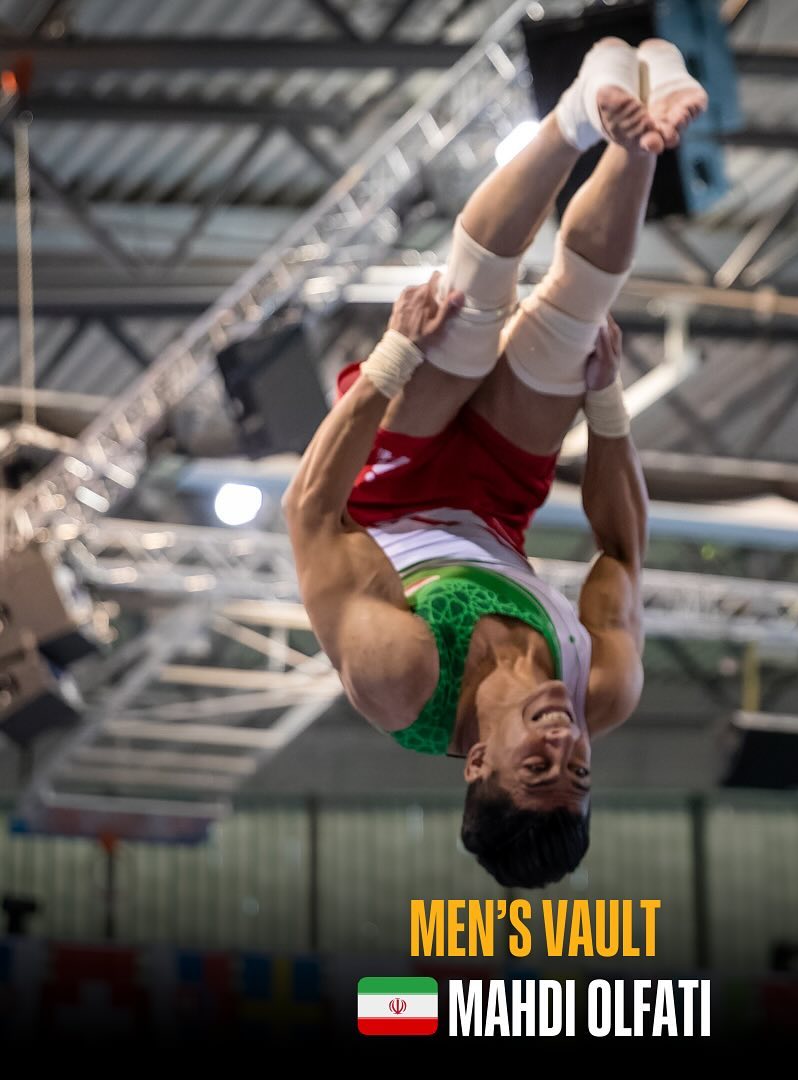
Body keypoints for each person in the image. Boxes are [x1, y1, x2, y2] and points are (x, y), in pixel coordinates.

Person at [284, 37, 707, 887]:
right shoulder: (600, 687)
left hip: (385, 490)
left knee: (464, 320)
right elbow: (622, 553)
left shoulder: (401, 680)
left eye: (537, 766)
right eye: (578, 769)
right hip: (495, 504)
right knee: (571, 328)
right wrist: (606, 402)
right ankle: (641, 139)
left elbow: (310, 514)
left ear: (477, 764)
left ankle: (574, 115)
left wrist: (393, 358)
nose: (563, 741)